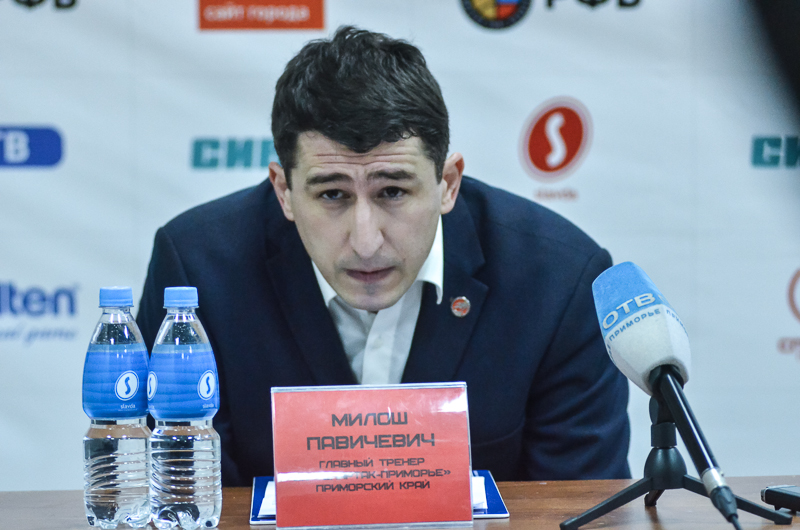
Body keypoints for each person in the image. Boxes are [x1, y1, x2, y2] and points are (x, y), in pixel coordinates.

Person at [137, 26, 630, 487]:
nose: (366, 241)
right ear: (284, 191)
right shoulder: (197, 272)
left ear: (447, 183)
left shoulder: (559, 282)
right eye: (332, 195)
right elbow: (180, 500)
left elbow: (580, 506)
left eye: (392, 191)